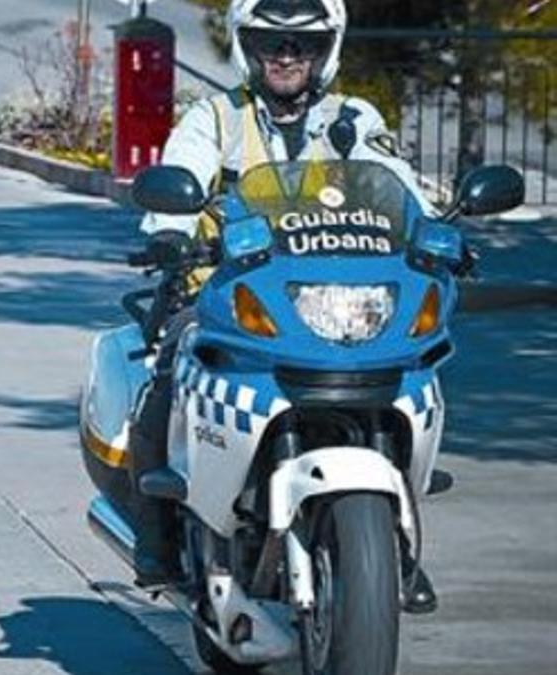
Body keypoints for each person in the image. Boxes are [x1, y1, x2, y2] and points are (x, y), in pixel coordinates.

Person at [130, 0, 439, 614]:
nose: (287, 57)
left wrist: (434, 234)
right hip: (230, 297)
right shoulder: (214, 119)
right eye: (272, 43)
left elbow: (398, 186)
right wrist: (169, 231)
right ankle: (158, 534)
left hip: (340, 298)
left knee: (407, 375)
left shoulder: (355, 118)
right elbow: (179, 177)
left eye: (304, 45)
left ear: (328, 50)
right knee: (166, 370)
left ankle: (397, 545)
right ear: (250, 47)